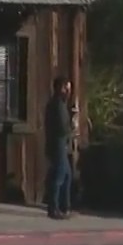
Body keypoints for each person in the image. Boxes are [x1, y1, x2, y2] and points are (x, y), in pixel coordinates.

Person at [44, 77, 78, 220]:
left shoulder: (60, 104)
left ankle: (64, 206)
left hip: (59, 143)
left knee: (66, 174)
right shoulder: (57, 105)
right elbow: (62, 127)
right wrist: (73, 126)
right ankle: (55, 208)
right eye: (66, 88)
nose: (68, 91)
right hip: (58, 143)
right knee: (59, 175)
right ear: (60, 88)